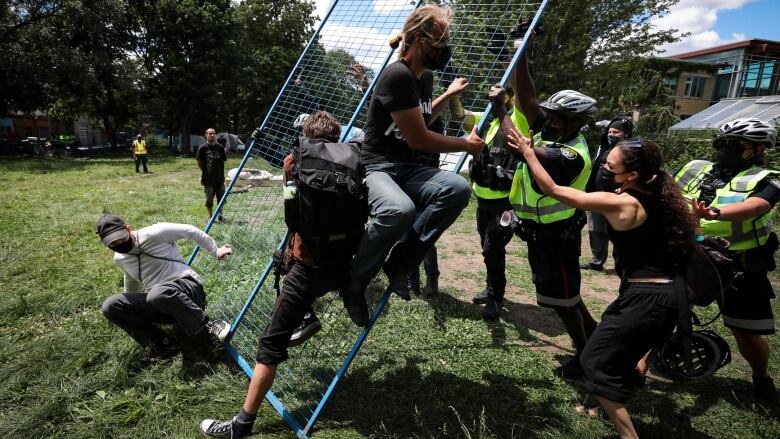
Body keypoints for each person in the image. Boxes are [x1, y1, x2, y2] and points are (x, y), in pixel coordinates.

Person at [508, 134, 697, 439]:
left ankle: (628, 435)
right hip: (665, 295)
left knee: (593, 362)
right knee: (618, 356)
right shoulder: (660, 191)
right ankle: (602, 405)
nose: (605, 170)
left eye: (610, 167)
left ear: (632, 174)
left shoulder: (622, 202)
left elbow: (553, 190)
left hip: (648, 298)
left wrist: (530, 154)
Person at [199, 111, 361, 438]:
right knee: (292, 265)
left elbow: (292, 215)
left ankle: (242, 425)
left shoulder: (296, 163)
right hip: (343, 266)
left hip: (307, 268)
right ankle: (345, 300)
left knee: (269, 346)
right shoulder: (355, 163)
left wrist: (287, 171)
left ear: (308, 135)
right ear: (336, 136)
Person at [339, 5, 484, 322]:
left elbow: (423, 118)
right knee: (398, 210)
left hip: (407, 168)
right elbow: (419, 138)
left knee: (457, 189)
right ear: (419, 39)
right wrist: (467, 146)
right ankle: (354, 283)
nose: (444, 50)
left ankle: (399, 264)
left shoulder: (424, 78)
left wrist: (446, 95)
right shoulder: (397, 75)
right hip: (378, 166)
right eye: (440, 43)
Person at [504, 45, 598, 378]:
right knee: (564, 294)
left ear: (575, 123)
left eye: (559, 118)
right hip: (541, 233)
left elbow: (521, 146)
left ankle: (585, 357)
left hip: (558, 237)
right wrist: (523, 52)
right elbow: (528, 99)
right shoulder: (554, 131)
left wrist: (501, 111)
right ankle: (594, 333)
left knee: (564, 299)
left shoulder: (571, 155)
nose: (550, 120)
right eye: (551, 115)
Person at [674, 118, 779, 406]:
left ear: (758, 150)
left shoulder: (768, 179)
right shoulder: (695, 168)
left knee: (745, 330)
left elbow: (756, 206)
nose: (726, 150)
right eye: (722, 143)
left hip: (738, 265)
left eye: (737, 146)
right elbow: (665, 190)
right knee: (661, 312)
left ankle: (761, 378)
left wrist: (715, 214)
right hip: (689, 256)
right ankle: (637, 372)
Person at [98, 214, 233, 362]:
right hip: (161, 302)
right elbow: (131, 279)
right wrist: (130, 308)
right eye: (113, 244)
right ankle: (161, 343)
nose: (119, 245)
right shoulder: (119, 258)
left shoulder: (155, 233)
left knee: (157, 294)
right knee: (110, 306)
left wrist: (216, 250)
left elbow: (190, 230)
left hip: (188, 291)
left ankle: (207, 324)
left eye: (121, 239)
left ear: (128, 229)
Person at [469, 82, 529, 320]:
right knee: (488, 249)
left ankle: (495, 298)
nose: (493, 98)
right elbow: (458, 114)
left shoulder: (517, 119)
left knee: (492, 248)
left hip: (505, 201)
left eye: (500, 94)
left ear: (510, 98)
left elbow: (515, 134)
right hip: (483, 199)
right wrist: (453, 90)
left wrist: (503, 103)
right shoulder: (487, 120)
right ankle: (491, 287)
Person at [581, 117, 634, 271]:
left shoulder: (631, 151)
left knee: (618, 231)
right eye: (610, 131)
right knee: (596, 229)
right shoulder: (603, 147)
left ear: (625, 134)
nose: (612, 134)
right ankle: (597, 261)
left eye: (616, 132)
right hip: (598, 195)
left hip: (618, 197)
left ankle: (621, 264)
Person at [197, 128, 228, 222]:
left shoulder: (220, 147)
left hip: (219, 178)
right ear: (206, 135)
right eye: (210, 133)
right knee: (209, 199)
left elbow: (223, 161)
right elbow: (199, 162)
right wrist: (205, 171)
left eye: (214, 133)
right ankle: (210, 217)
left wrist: (222, 175)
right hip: (208, 179)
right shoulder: (202, 148)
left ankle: (220, 215)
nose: (212, 135)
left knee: (221, 198)